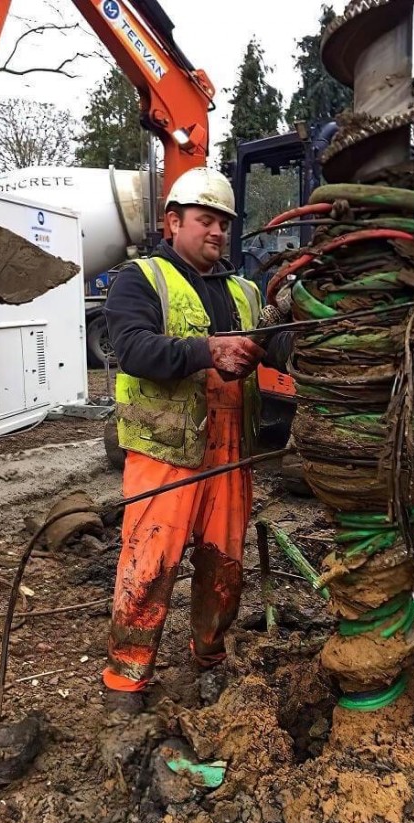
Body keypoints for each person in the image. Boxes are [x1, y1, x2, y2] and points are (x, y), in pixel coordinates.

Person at [102, 167, 287, 711]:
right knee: (149, 564)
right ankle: (126, 681)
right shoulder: (142, 279)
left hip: (231, 452)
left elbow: (277, 350)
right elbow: (134, 349)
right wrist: (209, 350)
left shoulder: (245, 291)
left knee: (224, 565)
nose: (217, 232)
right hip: (165, 453)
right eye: (206, 220)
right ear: (173, 221)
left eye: (224, 224)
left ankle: (210, 655)